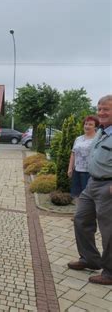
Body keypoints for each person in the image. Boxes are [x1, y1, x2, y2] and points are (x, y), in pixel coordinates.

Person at [68, 94, 112, 285]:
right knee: (80, 219)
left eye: (106, 109)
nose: (101, 113)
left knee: (108, 230)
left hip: (108, 186)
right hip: (92, 183)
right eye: (99, 109)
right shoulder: (102, 131)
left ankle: (110, 272)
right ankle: (90, 259)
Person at [67, 115, 100, 198]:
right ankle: (79, 211)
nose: (87, 126)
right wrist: (70, 168)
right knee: (77, 195)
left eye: (90, 124)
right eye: (86, 124)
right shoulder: (78, 139)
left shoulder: (98, 139)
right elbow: (73, 153)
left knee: (88, 197)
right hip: (77, 171)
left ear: (95, 127)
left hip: (90, 173)